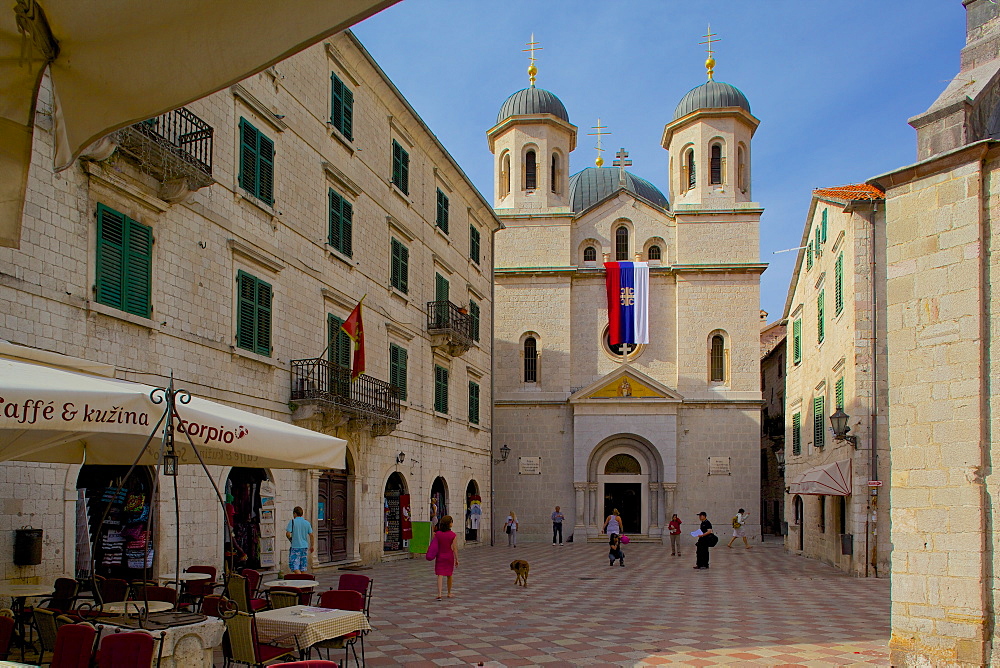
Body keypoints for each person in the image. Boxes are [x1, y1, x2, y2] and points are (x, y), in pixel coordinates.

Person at [426, 514, 459, 600]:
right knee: (449, 575)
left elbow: (434, 543)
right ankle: (449, 592)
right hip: (449, 556)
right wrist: (456, 559)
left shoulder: (438, 534)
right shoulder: (453, 535)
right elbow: (455, 548)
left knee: (440, 575)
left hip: (440, 556)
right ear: (449, 524)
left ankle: (439, 593)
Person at [285, 506, 314, 574]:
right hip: (304, 547)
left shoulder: (292, 522)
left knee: (294, 565)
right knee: (302, 566)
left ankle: (300, 578)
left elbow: (287, 533)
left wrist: (290, 539)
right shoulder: (307, 523)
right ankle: (303, 581)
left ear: (295, 513)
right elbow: (311, 535)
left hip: (295, 546)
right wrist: (312, 545)